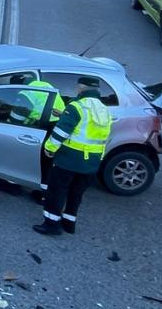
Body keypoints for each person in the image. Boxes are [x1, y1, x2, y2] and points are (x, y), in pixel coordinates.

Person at [32, 86, 113, 236]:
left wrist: (49, 149)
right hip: (91, 162)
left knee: (57, 191)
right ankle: (69, 223)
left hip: (69, 160)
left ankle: (51, 225)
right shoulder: (104, 110)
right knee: (76, 193)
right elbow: (95, 133)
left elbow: (61, 132)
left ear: (82, 89)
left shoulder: (76, 106)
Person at [16, 76, 67, 204]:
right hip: (59, 123)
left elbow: (17, 117)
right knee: (49, 163)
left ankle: (43, 196)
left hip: (43, 127)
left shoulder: (25, 93)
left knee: (44, 162)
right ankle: (45, 193)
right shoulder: (45, 84)